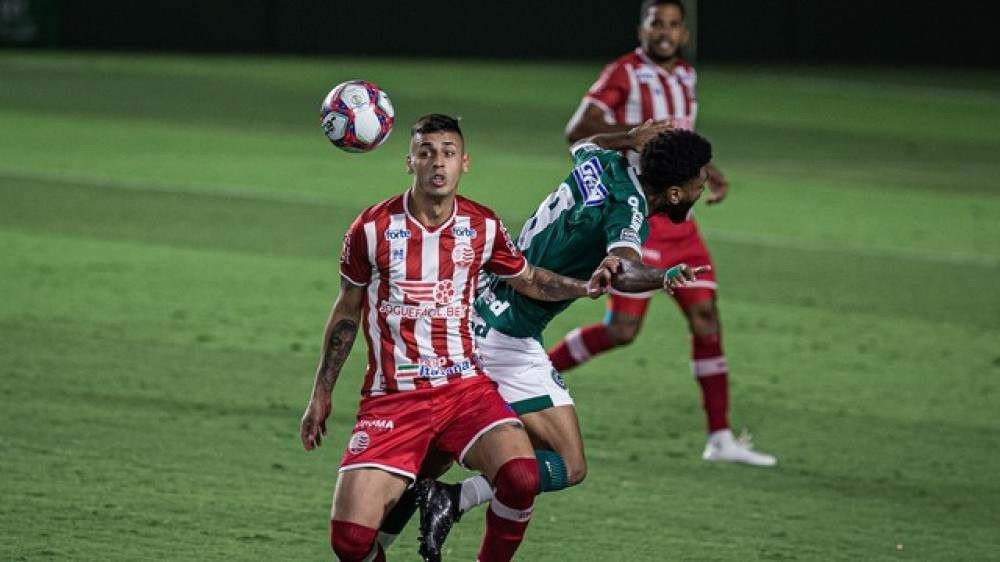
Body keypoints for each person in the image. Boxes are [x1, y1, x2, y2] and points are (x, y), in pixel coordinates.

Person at [299, 113, 617, 562]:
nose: (438, 163)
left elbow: (530, 280)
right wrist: (321, 393)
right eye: (426, 153)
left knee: (523, 477)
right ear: (409, 162)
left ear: (464, 162)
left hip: (464, 391)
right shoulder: (370, 230)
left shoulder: (483, 226)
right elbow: (347, 312)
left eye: (448, 153)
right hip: (394, 397)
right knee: (349, 542)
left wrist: (584, 287)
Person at [416, 122, 716, 561]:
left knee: (446, 458)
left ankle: (409, 511)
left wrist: (627, 138)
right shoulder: (629, 207)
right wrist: (663, 276)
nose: (702, 188)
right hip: (506, 334)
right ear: (674, 194)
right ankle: (451, 499)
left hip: (481, 304)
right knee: (567, 464)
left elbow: (584, 143)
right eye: (698, 182)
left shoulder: (604, 162)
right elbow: (622, 269)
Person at [547, 0, 777, 467]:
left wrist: (707, 168)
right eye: (657, 23)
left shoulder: (686, 76)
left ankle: (720, 437)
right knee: (623, 329)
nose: (666, 31)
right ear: (643, 28)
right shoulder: (624, 73)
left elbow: (680, 136)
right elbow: (578, 131)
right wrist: (634, 134)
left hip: (680, 222)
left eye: (674, 24)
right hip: (637, 215)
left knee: (706, 319)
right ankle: (536, 373)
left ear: (684, 33)